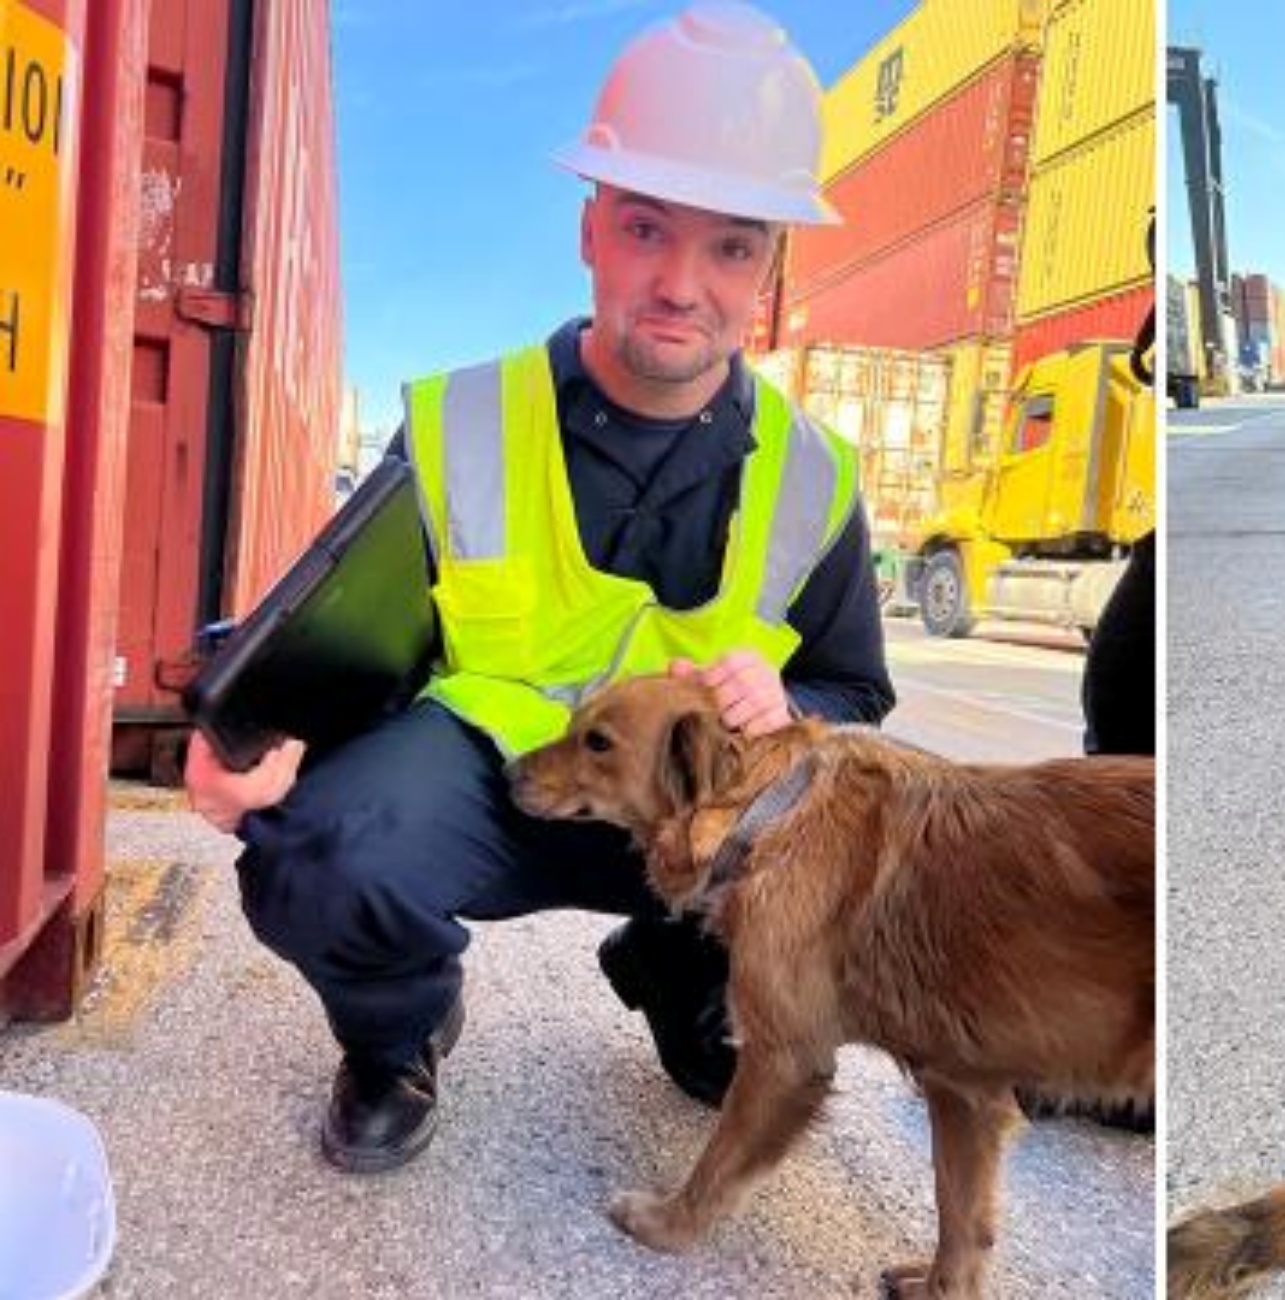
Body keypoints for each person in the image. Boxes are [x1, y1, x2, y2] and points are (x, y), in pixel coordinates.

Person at [182, 3, 894, 1174]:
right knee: (322, 847)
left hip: (687, 822)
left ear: (769, 268)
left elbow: (854, 689)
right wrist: (241, 720)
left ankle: (683, 982)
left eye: (730, 245)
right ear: (589, 230)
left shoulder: (814, 477)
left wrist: (788, 699)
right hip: (495, 785)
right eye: (646, 229)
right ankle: (398, 1030)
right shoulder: (466, 419)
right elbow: (336, 637)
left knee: (840, 872)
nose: (679, 281)